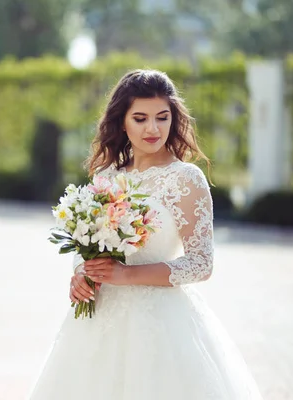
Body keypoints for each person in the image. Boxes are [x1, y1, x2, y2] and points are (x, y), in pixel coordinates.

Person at [28, 69, 264, 400]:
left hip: (162, 326)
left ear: (174, 119)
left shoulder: (185, 179)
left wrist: (126, 274)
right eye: (140, 118)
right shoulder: (107, 176)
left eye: (162, 118)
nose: (152, 129)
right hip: (98, 322)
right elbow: (88, 250)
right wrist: (82, 273)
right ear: (121, 121)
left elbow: (201, 263)